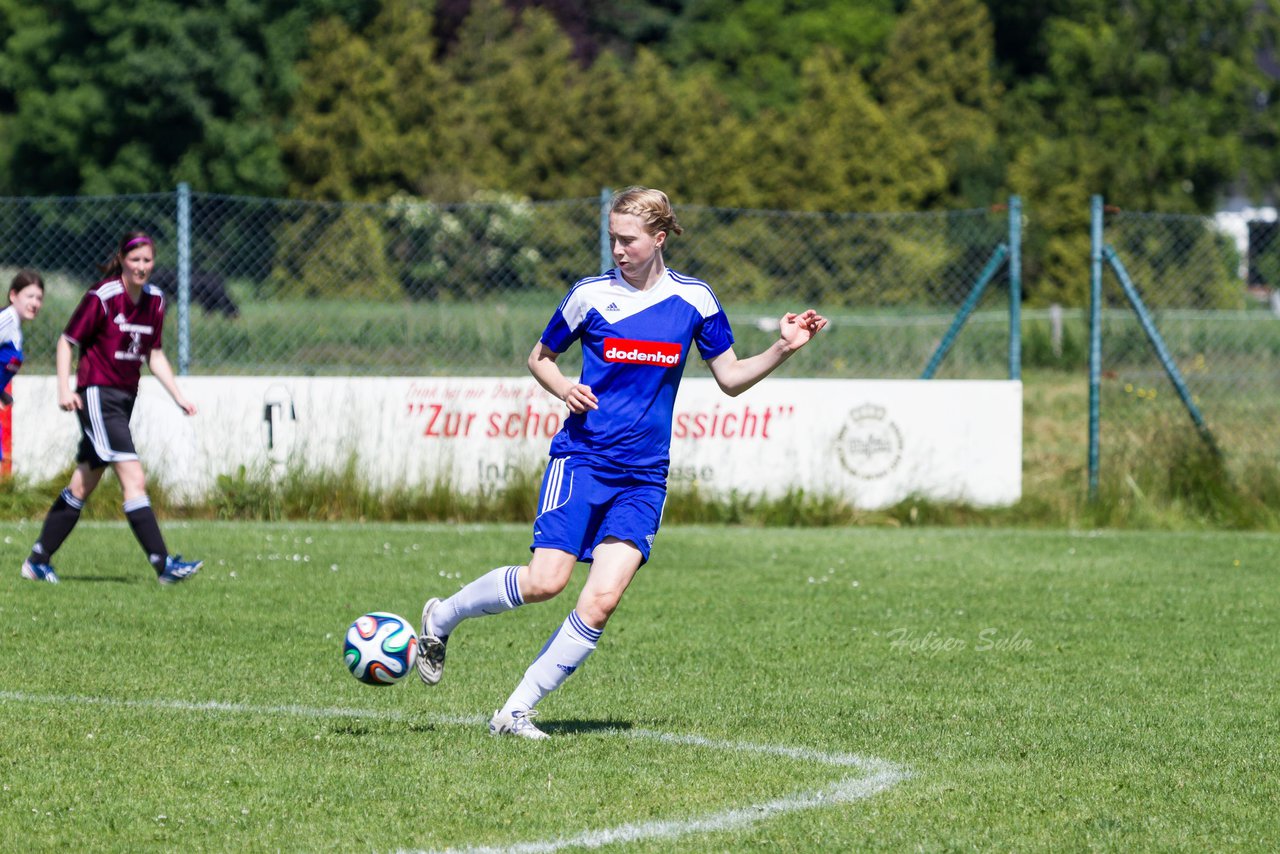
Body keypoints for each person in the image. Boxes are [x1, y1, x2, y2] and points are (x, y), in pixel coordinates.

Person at [416, 187, 827, 738]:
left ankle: (514, 711)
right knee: (545, 582)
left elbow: (728, 379)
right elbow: (540, 358)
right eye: (613, 238)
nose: (618, 249)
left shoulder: (696, 301)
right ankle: (442, 616)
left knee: (603, 600)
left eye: (628, 239)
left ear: (659, 239)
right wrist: (564, 387)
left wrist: (783, 349)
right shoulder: (589, 296)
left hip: (644, 475)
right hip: (582, 459)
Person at [21, 232, 204, 585]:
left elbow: (154, 353)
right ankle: (164, 564)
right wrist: (64, 389)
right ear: (121, 259)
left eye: (147, 260)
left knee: (82, 485)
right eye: (134, 260)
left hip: (124, 398)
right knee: (134, 478)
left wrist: (178, 396)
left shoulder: (156, 300)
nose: (141, 266)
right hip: (97, 396)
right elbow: (66, 341)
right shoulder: (103, 296)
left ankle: (37, 561)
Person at [1, 270, 46, 460]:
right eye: (29, 296)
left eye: (39, 298)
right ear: (13, 295)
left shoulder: (15, 327)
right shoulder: (7, 319)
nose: (35, 303)